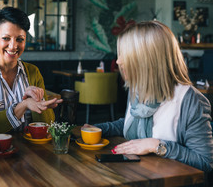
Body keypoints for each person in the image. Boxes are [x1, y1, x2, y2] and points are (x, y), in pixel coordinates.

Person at [84, 21, 213, 172]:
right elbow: (129, 124)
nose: (118, 61)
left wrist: (156, 145)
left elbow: (205, 162)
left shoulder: (190, 100)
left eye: (125, 54)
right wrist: (98, 129)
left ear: (147, 58)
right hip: (136, 174)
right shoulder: (137, 88)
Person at [0, 7, 62, 137]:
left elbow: (47, 126)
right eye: (6, 38)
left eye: (20, 39)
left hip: (27, 151)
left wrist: (37, 101)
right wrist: (24, 105)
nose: (13, 46)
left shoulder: (33, 72)